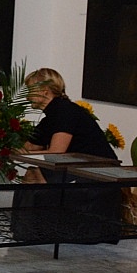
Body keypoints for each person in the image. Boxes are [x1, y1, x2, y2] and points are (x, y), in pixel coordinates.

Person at [15, 68, 120, 239]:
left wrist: (24, 154)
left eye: (30, 90)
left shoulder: (65, 111)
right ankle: (30, 229)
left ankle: (38, 229)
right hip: (80, 167)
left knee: (36, 174)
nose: (26, 96)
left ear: (44, 91)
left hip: (98, 172)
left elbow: (57, 152)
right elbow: (29, 146)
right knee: (33, 173)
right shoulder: (51, 116)